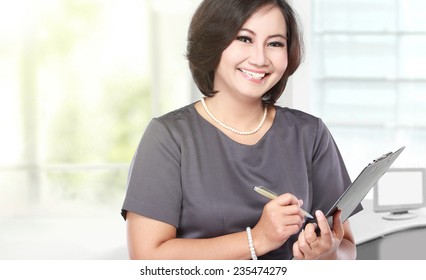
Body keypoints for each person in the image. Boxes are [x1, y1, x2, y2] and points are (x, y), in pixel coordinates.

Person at [121, 0, 362, 260]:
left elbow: (346, 246)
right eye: (244, 39)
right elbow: (146, 259)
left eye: (275, 43)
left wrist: (326, 254)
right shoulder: (168, 136)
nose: (260, 59)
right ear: (212, 41)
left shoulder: (311, 134)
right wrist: (258, 238)